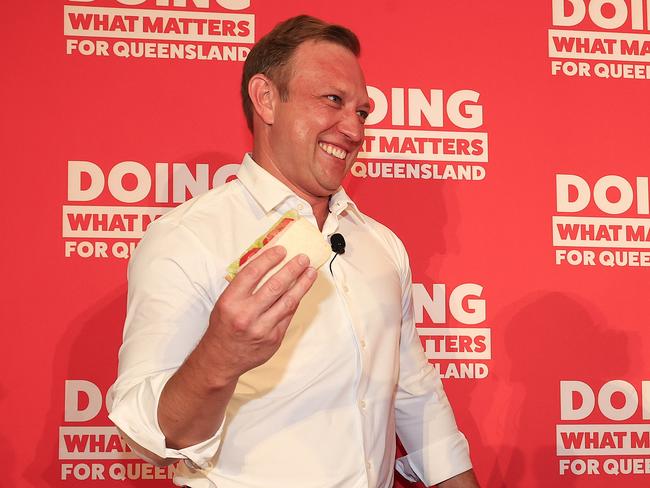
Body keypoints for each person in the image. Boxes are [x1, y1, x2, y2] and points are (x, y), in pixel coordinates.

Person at [108, 15, 479, 488]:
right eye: (332, 101)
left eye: (362, 112)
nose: (354, 129)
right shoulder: (186, 237)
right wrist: (220, 356)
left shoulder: (382, 246)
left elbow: (416, 395)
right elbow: (147, 440)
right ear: (266, 99)